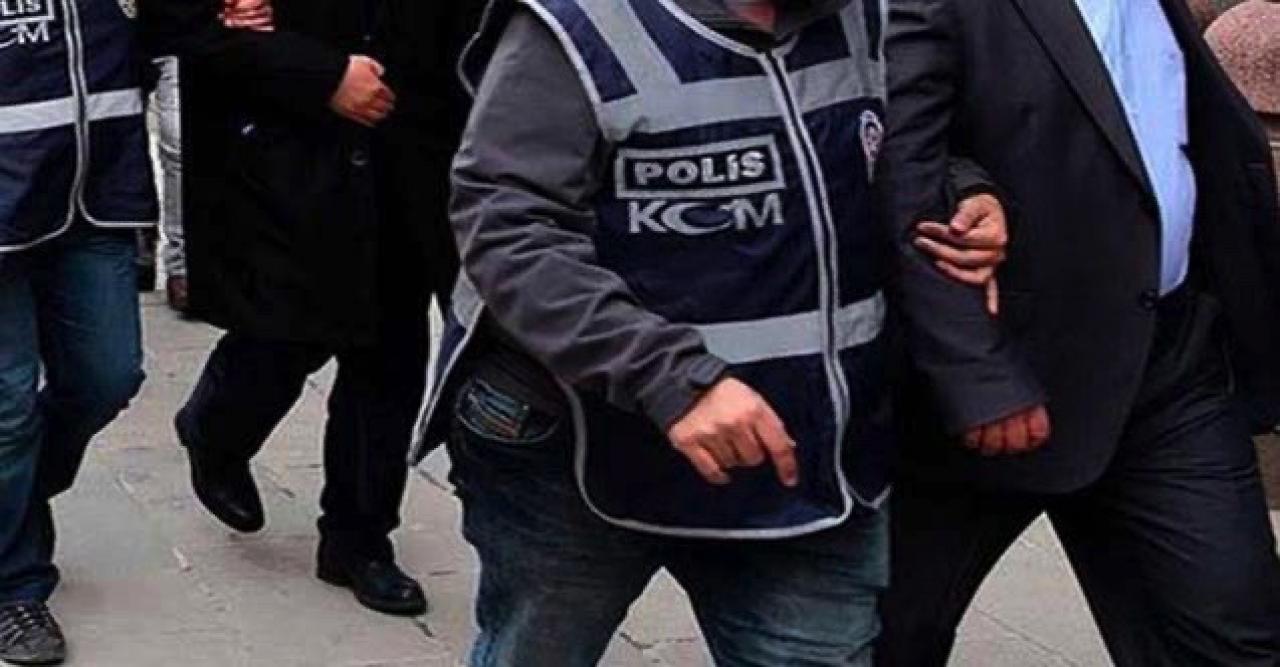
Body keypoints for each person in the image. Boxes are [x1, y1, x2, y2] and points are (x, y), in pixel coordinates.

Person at [409, 0, 1007, 663]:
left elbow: (909, 137)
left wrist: (963, 190)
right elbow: (510, 229)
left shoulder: (872, 15)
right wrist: (674, 378)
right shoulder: (578, 27)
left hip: (805, 461)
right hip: (578, 449)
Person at [877, 0, 1280, 664]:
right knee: (886, 639)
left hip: (1168, 368)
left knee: (1237, 635)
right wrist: (977, 374)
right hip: (999, 382)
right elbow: (900, 164)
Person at [142, 0, 478, 615]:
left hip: (413, 151)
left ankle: (358, 539)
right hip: (285, 157)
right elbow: (178, 22)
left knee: (390, 356)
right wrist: (320, 75)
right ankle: (216, 428)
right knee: (283, 337)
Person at [0, 0, 158, 660]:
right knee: (7, 409)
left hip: (98, 190)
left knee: (108, 374)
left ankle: (16, 495)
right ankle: (15, 587)